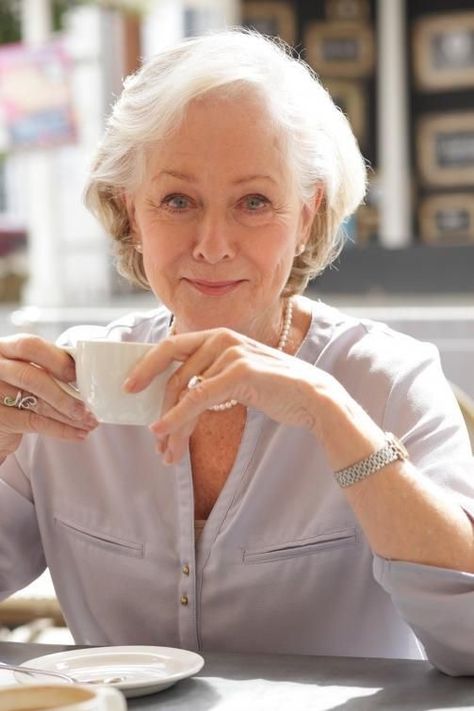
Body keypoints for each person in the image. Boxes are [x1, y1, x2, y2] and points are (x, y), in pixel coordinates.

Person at [0, 29, 473, 676]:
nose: (214, 244)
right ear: (130, 212)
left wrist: (332, 417)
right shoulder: (70, 385)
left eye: (254, 201)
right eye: (177, 200)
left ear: (306, 215)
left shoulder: (388, 380)